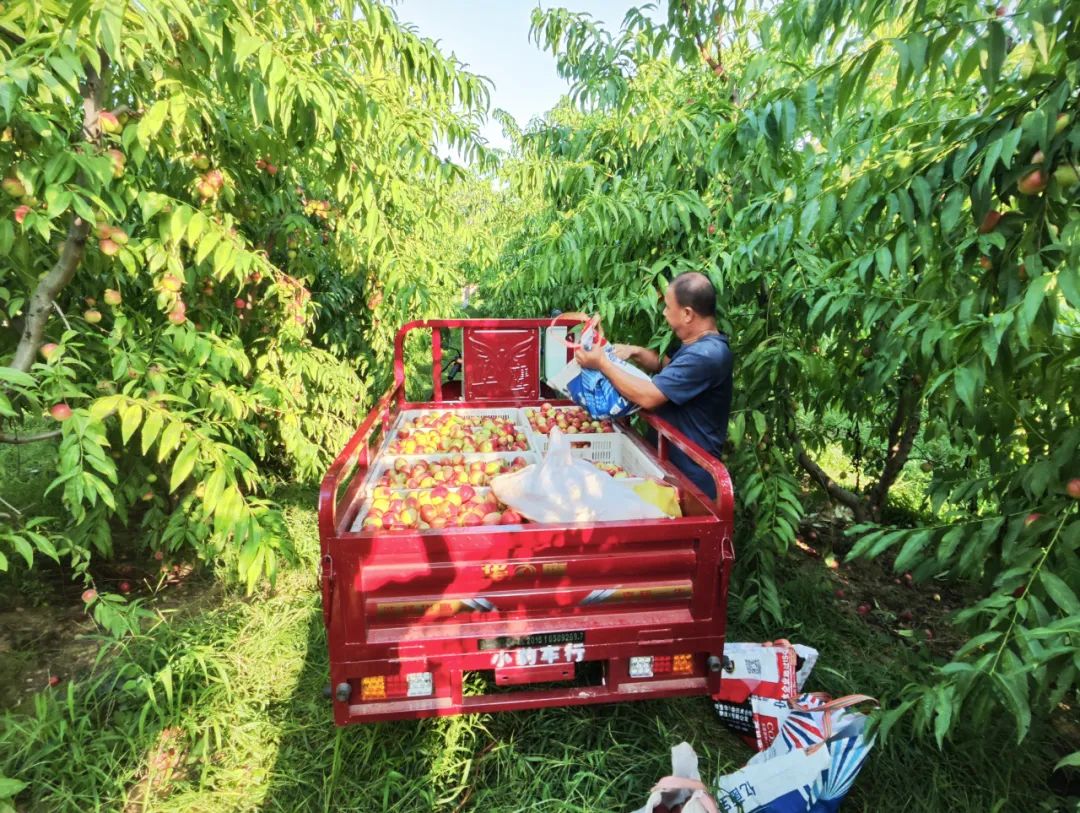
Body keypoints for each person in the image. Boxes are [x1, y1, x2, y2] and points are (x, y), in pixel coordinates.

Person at [573, 272, 733, 499]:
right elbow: (668, 366)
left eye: (668, 307)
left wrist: (601, 363)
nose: (664, 312)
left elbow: (649, 396)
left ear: (687, 314)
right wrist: (635, 351)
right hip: (670, 466)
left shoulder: (707, 355)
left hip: (689, 481)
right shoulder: (699, 346)